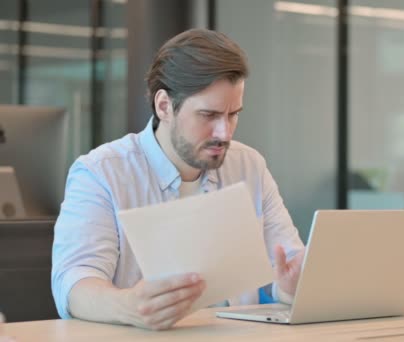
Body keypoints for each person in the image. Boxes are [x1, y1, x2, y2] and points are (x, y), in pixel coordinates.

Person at [51, 28, 305, 331]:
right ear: (164, 106)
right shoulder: (101, 172)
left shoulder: (249, 165)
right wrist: (129, 306)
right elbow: (74, 284)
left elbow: (285, 268)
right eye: (208, 115)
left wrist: (288, 289)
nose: (224, 133)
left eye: (233, 114)